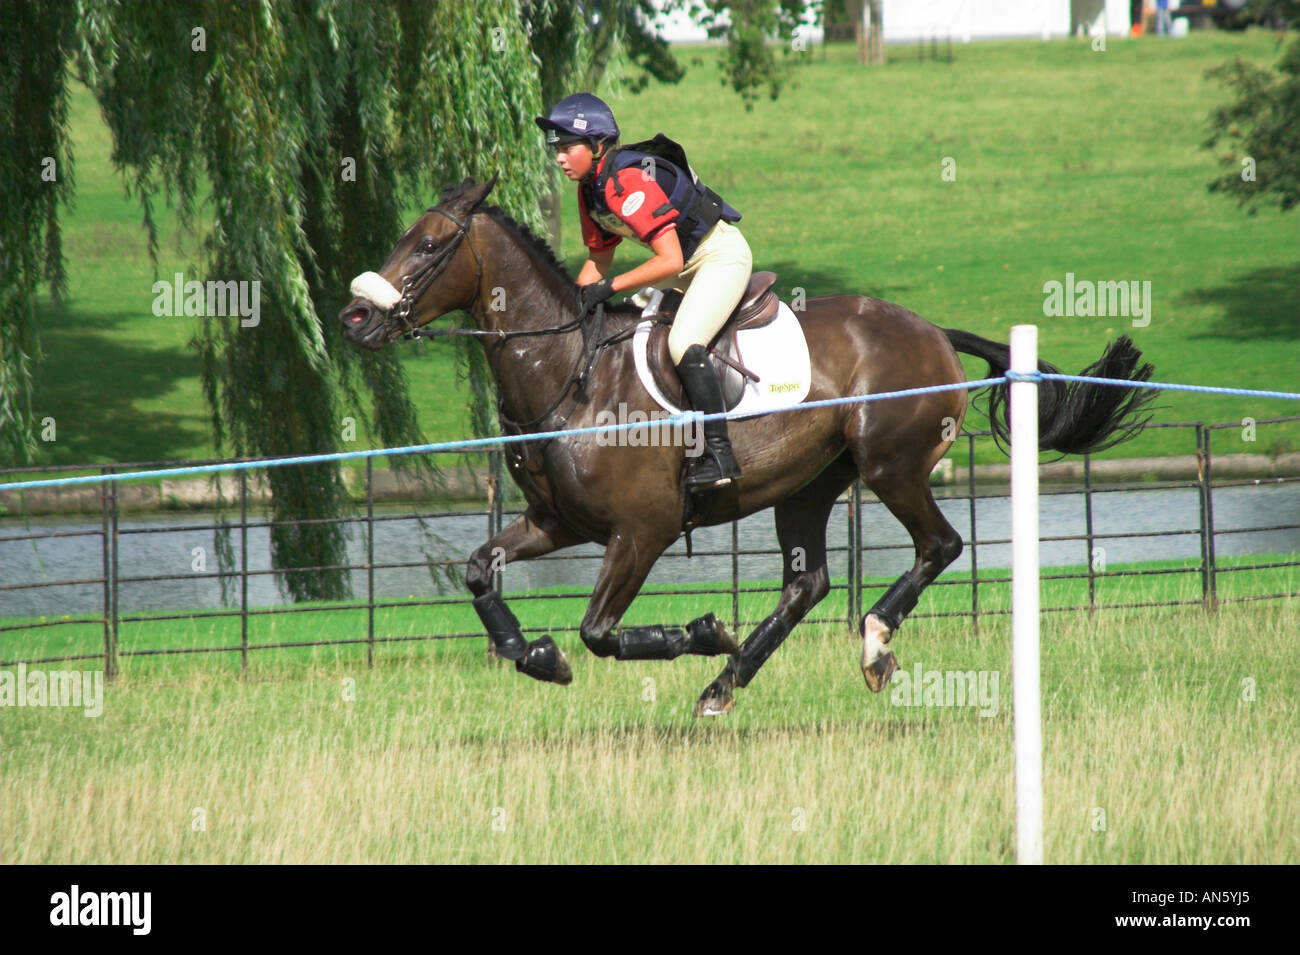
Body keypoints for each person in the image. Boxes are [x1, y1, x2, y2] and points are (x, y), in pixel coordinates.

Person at [535, 92, 752, 490]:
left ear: (597, 145)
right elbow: (598, 259)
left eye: (567, 148)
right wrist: (569, 311)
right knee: (623, 328)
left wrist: (610, 287)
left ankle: (720, 455)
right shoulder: (591, 190)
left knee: (684, 341)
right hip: (681, 266)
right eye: (557, 150)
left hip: (718, 258)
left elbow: (667, 260)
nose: (560, 158)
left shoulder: (627, 180)